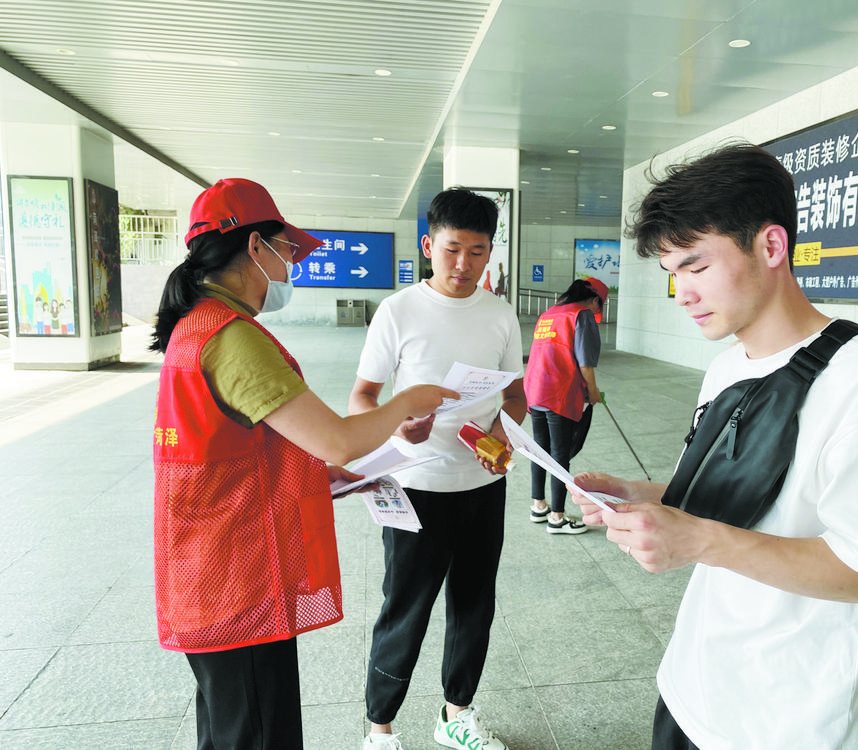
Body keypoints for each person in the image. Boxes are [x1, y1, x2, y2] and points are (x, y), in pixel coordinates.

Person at [569, 143, 858, 750]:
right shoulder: (727, 367)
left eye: (696, 266)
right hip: (695, 686)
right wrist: (642, 495)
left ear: (771, 246)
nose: (682, 293)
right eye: (672, 274)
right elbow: (745, 498)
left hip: (800, 721)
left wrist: (698, 540)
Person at [150, 178, 455, 750]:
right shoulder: (231, 337)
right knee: (260, 733)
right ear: (255, 246)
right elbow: (338, 440)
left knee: (231, 728)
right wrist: (408, 402)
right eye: (287, 250)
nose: (293, 264)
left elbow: (232, 447)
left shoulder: (197, 325)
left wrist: (316, 476)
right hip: (239, 573)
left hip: (208, 568)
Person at [350, 187, 526, 750]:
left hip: (481, 484)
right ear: (429, 246)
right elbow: (363, 395)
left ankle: (456, 715)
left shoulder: (499, 314)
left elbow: (516, 396)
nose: (463, 264)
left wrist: (502, 433)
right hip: (415, 486)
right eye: (452, 250)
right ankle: (380, 729)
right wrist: (397, 426)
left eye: (478, 252)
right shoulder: (398, 311)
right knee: (405, 608)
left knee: (474, 604)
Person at [524, 276, 608, 533]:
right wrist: (592, 391)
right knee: (559, 455)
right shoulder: (581, 315)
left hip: (535, 389)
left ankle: (539, 506)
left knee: (540, 450)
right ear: (594, 300)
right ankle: (557, 518)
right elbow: (585, 363)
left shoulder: (549, 314)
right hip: (558, 393)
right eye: (599, 306)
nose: (597, 310)